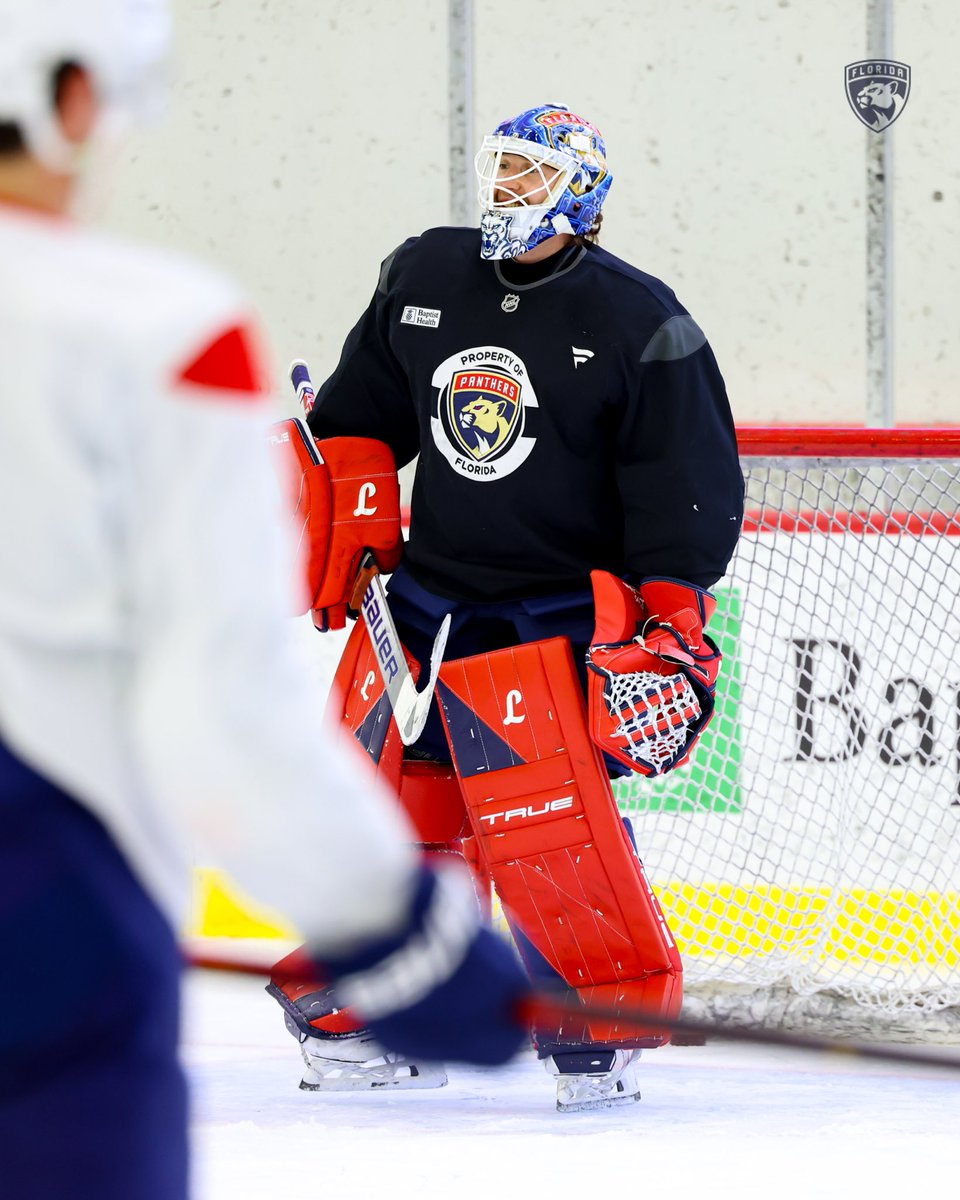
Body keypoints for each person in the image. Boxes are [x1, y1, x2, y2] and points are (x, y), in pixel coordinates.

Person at [0, 4, 528, 1196]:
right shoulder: (156, 336)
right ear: (74, 99)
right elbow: (218, 717)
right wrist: (396, 936)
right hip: (48, 943)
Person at [269, 102, 745, 1111]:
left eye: (530, 173)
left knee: (550, 831)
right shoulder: (425, 275)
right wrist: (331, 514)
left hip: (551, 623)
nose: (506, 188)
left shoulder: (641, 320)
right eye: (500, 168)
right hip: (423, 610)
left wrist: (671, 614)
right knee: (388, 818)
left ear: (581, 193)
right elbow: (357, 418)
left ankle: (589, 1025)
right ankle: (370, 1010)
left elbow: (683, 488)